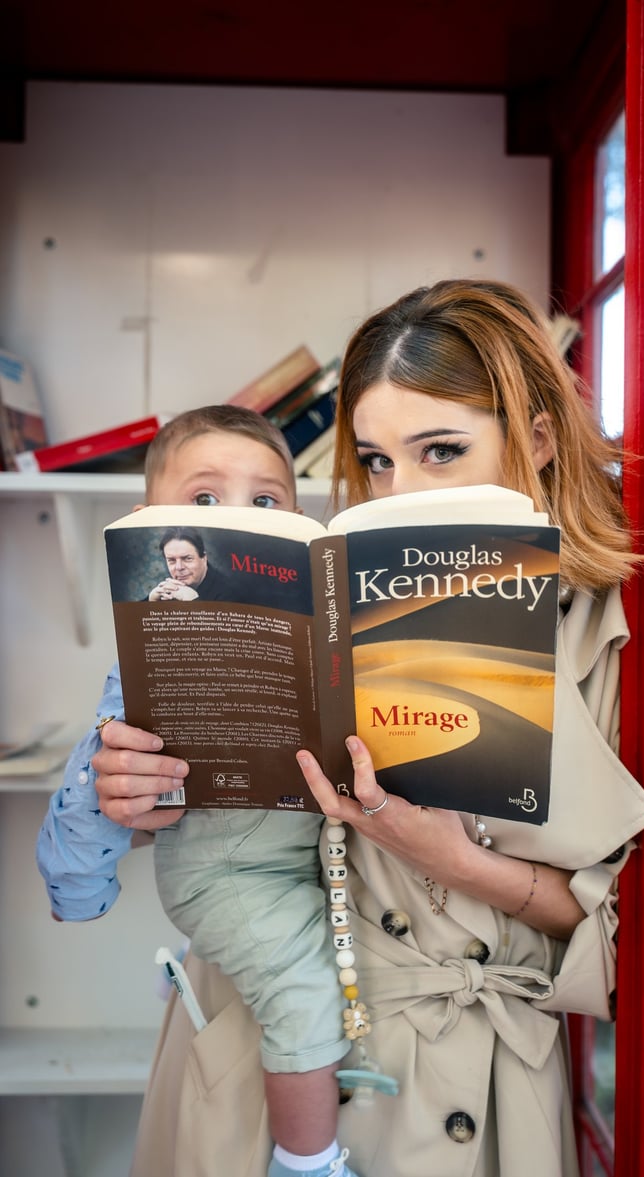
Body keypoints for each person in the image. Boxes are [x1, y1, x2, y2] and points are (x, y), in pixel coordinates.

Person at [48, 280, 644, 1177]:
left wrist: (453, 860)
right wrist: (120, 788)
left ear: (534, 441)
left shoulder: (620, 632)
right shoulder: (326, 587)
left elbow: (641, 946)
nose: (398, 490)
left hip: (474, 1078)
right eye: (376, 461)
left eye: (441, 450)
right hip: (271, 1060)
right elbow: (218, 815)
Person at [36, 403, 360, 1177]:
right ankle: (306, 1164)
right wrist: (86, 866)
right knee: (303, 991)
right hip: (228, 869)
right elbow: (95, 796)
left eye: (267, 501)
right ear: (153, 528)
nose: (238, 518)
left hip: (306, 863)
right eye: (206, 500)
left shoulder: (313, 625)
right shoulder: (148, 646)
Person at [146, 525, 234, 601]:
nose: (179, 567)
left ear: (204, 558)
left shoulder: (229, 593)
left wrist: (194, 601)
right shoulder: (167, 589)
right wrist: (151, 601)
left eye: (187, 559)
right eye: (171, 560)